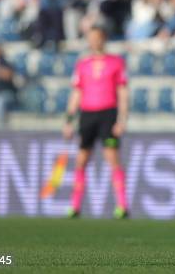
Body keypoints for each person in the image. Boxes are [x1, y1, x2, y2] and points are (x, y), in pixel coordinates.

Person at [62, 25, 130, 219]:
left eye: (97, 37)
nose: (94, 41)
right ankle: (75, 206)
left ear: (104, 39)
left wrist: (122, 119)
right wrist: (69, 119)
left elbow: (123, 92)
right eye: (90, 38)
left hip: (108, 114)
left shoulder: (116, 62)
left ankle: (122, 205)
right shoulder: (82, 64)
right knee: (81, 160)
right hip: (87, 115)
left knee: (112, 159)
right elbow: (77, 92)